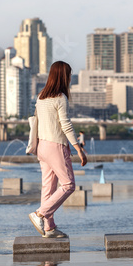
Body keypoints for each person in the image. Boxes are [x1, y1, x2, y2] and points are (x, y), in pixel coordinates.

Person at [29, 61, 87, 239]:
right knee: (69, 185)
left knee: (48, 187)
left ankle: (49, 228)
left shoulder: (41, 96)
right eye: (69, 75)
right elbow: (65, 125)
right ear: (63, 76)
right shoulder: (61, 97)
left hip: (42, 146)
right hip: (55, 146)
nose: (70, 78)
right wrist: (79, 149)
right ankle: (40, 213)